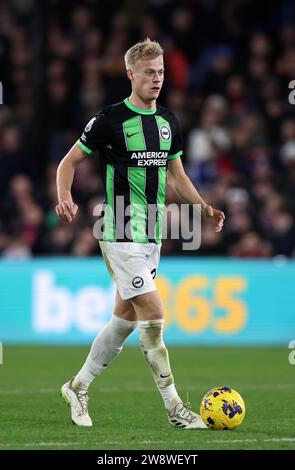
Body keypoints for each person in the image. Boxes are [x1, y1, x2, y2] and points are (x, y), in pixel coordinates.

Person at [55, 38, 225, 429]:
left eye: (161, 71)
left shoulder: (169, 122)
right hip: (117, 231)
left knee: (125, 321)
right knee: (153, 311)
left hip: (151, 236)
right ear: (130, 74)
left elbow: (176, 174)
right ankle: (176, 409)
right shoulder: (109, 120)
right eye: (149, 72)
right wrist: (64, 196)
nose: (157, 78)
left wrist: (201, 207)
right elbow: (69, 161)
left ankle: (77, 386)